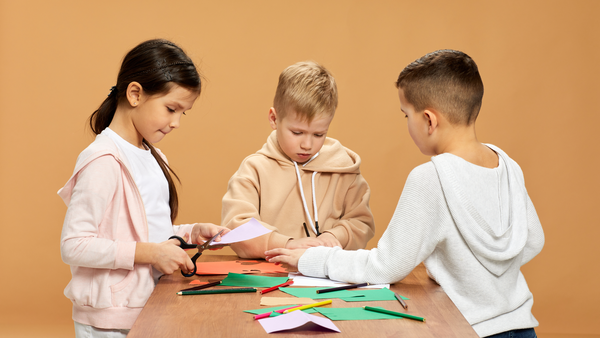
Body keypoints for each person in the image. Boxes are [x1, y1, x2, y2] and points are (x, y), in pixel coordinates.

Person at [265, 50, 544, 338]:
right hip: (522, 326)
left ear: (428, 121)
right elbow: (533, 240)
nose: (407, 123)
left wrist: (313, 259)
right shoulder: (508, 165)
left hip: (467, 329)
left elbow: (385, 267)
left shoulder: (430, 177)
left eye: (406, 115)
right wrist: (477, 275)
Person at [58, 39, 229, 337]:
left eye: (183, 113)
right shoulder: (103, 160)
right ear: (135, 94)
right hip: (108, 320)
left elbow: (143, 229)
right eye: (171, 108)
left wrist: (189, 233)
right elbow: (74, 245)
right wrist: (150, 253)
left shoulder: (152, 155)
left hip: (149, 306)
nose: (176, 122)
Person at [221, 61, 375, 259]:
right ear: (274, 119)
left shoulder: (344, 169)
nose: (307, 144)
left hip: (326, 277)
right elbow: (237, 227)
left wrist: (334, 236)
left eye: (319, 134)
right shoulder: (254, 169)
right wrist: (288, 244)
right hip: (270, 277)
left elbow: (361, 222)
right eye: (297, 132)